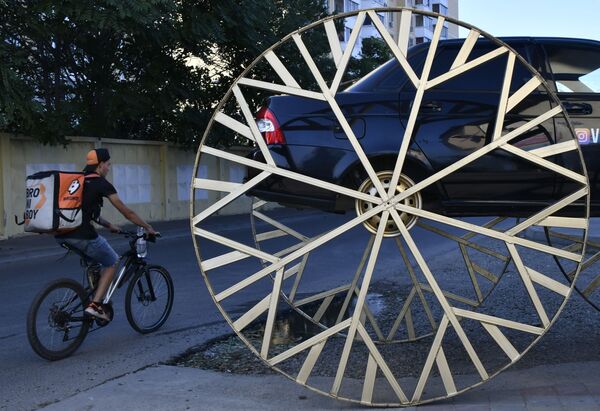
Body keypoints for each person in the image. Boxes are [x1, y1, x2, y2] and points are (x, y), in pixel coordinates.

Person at [55, 148, 158, 321]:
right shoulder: (101, 184)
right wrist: (148, 227)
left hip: (62, 234)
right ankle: (95, 305)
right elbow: (127, 212)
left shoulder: (78, 181)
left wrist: (109, 225)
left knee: (95, 260)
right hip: (82, 235)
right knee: (112, 262)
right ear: (101, 165)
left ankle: (94, 293)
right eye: (108, 164)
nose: (109, 168)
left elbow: (86, 212)